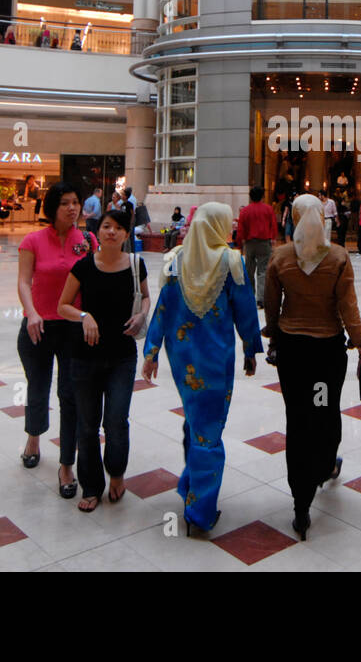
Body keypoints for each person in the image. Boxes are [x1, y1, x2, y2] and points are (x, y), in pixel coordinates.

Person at [142, 204, 262, 535]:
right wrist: (251, 348)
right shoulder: (231, 260)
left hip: (181, 358)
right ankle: (200, 513)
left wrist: (152, 351)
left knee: (197, 421)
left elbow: (163, 309)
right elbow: (245, 309)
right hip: (215, 359)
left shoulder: (178, 259)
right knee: (209, 432)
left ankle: (189, 486)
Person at [263, 194, 361, 540]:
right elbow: (348, 304)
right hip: (326, 352)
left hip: (294, 353)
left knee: (297, 418)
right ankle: (324, 464)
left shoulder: (280, 257)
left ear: (293, 217)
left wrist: (275, 339)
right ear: (322, 217)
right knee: (323, 409)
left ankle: (300, 502)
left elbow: (270, 306)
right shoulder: (337, 256)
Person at [57, 209, 149, 511]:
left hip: (122, 356)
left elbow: (145, 296)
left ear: (126, 234)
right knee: (87, 425)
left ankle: (117, 474)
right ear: (100, 231)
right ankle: (92, 486)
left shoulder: (136, 264)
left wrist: (142, 313)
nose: (111, 232)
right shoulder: (83, 266)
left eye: (118, 228)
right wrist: (85, 316)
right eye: (107, 226)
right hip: (84, 355)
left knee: (116, 421)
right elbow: (63, 306)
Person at [16, 182, 92, 500]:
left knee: (70, 395)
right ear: (52, 207)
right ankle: (33, 438)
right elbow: (23, 281)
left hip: (72, 328)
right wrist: (31, 313)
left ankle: (66, 465)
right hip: (39, 326)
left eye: (75, 202)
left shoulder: (87, 241)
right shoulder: (32, 240)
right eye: (65, 203)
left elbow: (93, 280)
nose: (72, 208)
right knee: (38, 386)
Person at [237, 185, 277, 308]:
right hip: (264, 242)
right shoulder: (268, 209)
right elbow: (273, 225)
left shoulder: (245, 211)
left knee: (249, 270)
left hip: (249, 243)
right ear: (263, 196)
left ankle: (250, 296)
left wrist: (240, 243)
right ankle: (261, 299)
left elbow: (241, 228)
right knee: (263, 270)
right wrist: (273, 238)